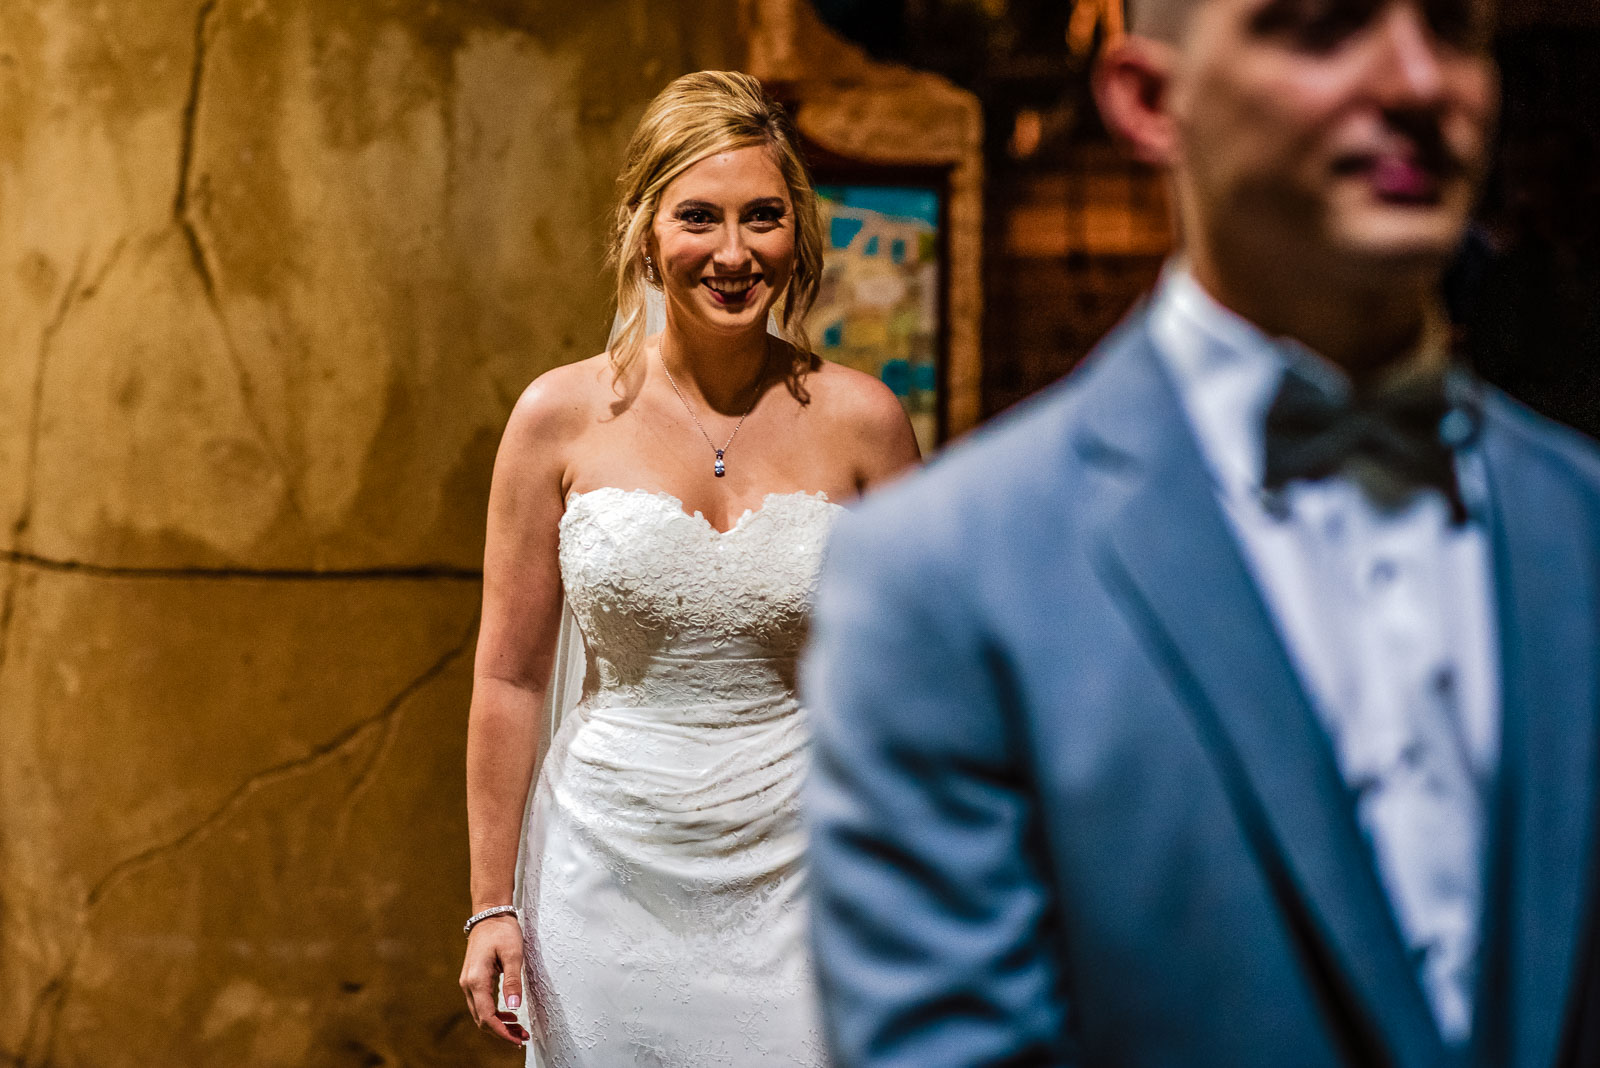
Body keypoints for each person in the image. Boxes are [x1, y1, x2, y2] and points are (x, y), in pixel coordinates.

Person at [803, 0, 1600, 1064]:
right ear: (1148, 99)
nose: (1416, 84)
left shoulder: (1581, 524)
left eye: (1453, 29)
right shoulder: (943, 578)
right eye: (1322, 26)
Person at [459, 71, 918, 1066]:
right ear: (643, 227)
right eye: (698, 217)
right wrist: (490, 905)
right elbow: (507, 677)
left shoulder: (865, 423)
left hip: (808, 862)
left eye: (763, 217)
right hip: (605, 865)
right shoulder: (556, 420)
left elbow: (918, 681)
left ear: (798, 230)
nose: (733, 252)